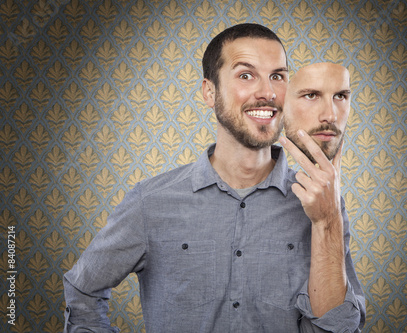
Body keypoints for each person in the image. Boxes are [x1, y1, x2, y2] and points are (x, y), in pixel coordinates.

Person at [63, 24, 365, 333]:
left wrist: (327, 221)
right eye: (246, 75)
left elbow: (340, 328)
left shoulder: (321, 201)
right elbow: (83, 290)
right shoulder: (150, 202)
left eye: (278, 76)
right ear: (210, 92)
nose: (268, 92)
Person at [280, 62, 365, 331]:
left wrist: (328, 220)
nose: (330, 114)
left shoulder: (326, 199)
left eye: (340, 96)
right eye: (311, 95)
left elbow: (339, 327)